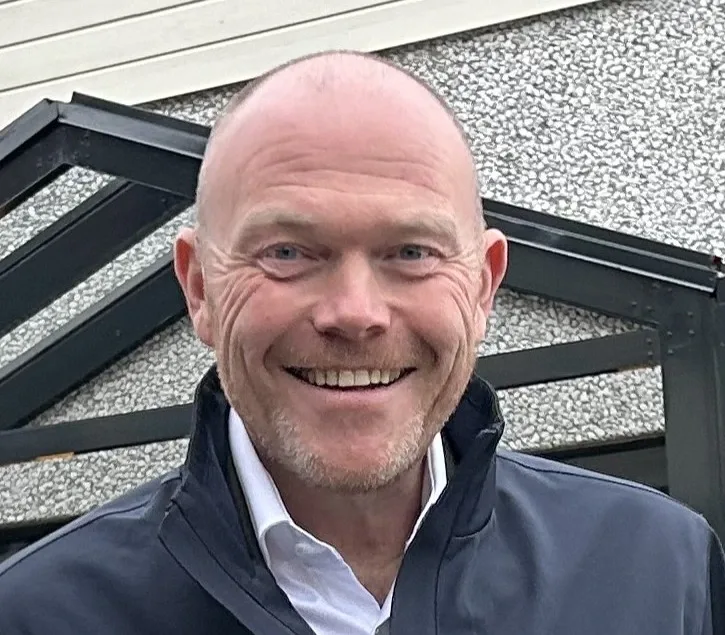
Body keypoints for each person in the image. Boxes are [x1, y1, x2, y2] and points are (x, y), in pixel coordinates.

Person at [0, 50, 722, 635]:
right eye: (287, 252)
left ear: (482, 287)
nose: (354, 313)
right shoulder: (38, 616)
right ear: (199, 289)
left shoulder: (657, 568)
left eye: (410, 252)